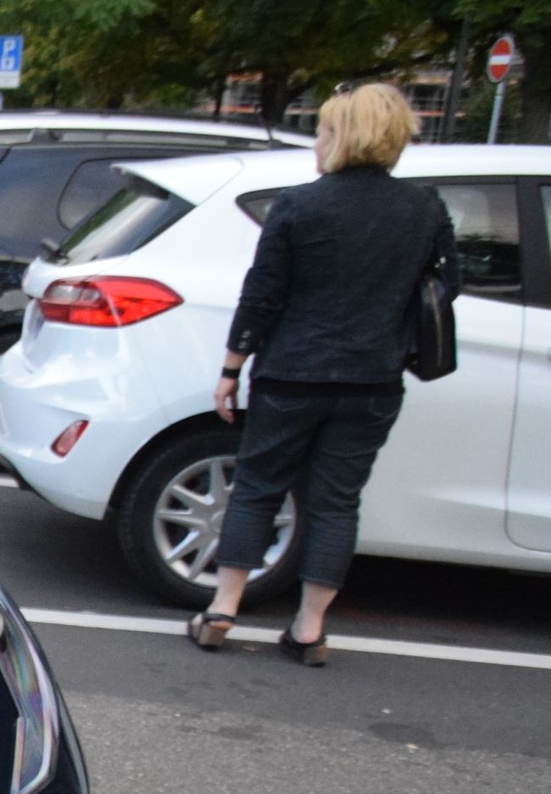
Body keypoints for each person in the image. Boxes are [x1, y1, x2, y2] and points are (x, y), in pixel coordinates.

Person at [189, 82, 458, 666]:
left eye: (324, 130)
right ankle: (310, 627)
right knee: (337, 502)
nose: (317, 141)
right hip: (373, 379)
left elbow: (262, 295)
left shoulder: (298, 205)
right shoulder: (425, 209)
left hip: (292, 372)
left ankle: (223, 609)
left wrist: (232, 367)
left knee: (258, 487)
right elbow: (444, 290)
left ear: (343, 136)